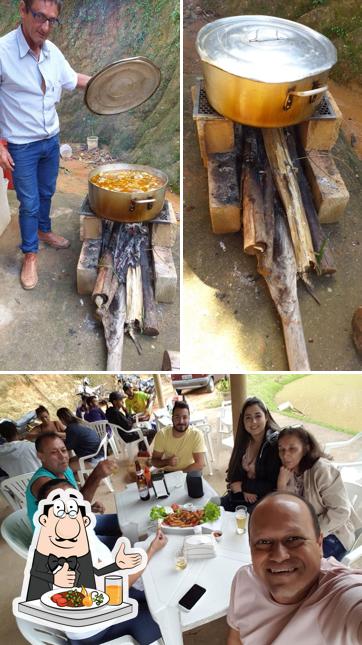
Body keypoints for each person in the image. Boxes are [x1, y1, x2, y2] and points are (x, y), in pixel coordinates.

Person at [0, 0, 91, 289]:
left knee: (47, 191)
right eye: (39, 16)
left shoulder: (52, 53)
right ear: (23, 11)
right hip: (21, 145)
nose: (45, 26)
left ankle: (43, 231)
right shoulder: (2, 53)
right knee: (28, 203)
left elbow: (73, 79)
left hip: (51, 140)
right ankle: (30, 255)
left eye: (52, 20)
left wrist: (109, 81)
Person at [227, 492, 362, 645]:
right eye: (264, 541)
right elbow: (236, 637)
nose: (279, 556)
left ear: (319, 544)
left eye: (293, 539)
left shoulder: (342, 594)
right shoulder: (244, 580)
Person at [277, 425, 360, 561]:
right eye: (281, 450)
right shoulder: (287, 472)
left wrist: (308, 532)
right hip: (302, 531)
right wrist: (281, 485)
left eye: (292, 448)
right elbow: (285, 510)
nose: (285, 455)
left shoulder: (322, 471)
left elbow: (341, 512)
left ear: (306, 448)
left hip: (334, 534)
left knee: (297, 563)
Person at [26, 432, 121, 549]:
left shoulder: (65, 470)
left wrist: (88, 507)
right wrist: (96, 475)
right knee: (125, 543)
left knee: (123, 521)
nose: (62, 456)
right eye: (54, 452)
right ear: (41, 456)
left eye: (64, 450)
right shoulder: (42, 483)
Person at [220, 397, 280, 512]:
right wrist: (242, 488)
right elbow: (233, 470)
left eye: (258, 416)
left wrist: (244, 486)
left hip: (263, 501)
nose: (253, 422)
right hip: (242, 497)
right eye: (248, 418)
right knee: (213, 507)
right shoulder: (245, 441)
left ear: (266, 417)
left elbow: (274, 484)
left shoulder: (274, 443)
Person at [151, 400, 206, 472]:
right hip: (170, 472)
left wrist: (180, 474)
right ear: (172, 418)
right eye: (177, 417)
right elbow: (154, 461)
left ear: (189, 418)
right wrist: (167, 462)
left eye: (185, 417)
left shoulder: (196, 434)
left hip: (190, 470)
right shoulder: (162, 435)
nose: (181, 421)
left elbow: (199, 464)